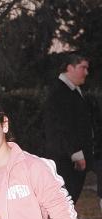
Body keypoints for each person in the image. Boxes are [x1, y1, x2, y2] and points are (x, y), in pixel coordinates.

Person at [44, 52, 94, 204]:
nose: (86, 72)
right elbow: (62, 128)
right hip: (66, 161)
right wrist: (77, 155)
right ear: (69, 68)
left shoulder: (72, 91)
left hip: (71, 159)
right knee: (65, 202)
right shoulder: (60, 93)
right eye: (82, 67)